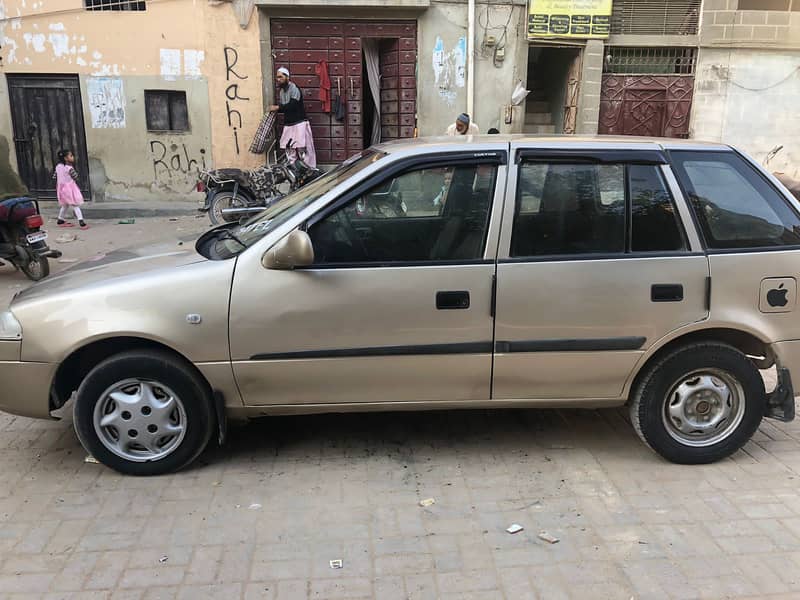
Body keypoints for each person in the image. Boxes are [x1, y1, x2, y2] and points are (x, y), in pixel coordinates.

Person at [268, 67, 317, 168]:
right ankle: (294, 171)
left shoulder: (294, 88)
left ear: (287, 77)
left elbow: (293, 105)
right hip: (289, 125)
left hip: (299, 124)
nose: (278, 79)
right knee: (290, 150)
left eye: (281, 77)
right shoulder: (281, 92)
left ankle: (309, 170)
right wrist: (276, 109)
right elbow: (285, 108)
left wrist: (277, 107)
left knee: (302, 149)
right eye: (277, 77)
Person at [53, 149, 88, 229]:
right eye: (71, 156)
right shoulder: (69, 168)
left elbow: (54, 176)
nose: (73, 157)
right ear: (66, 158)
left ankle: (60, 220)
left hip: (61, 189)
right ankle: (81, 222)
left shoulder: (58, 167)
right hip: (70, 189)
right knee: (75, 205)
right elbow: (75, 177)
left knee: (65, 205)